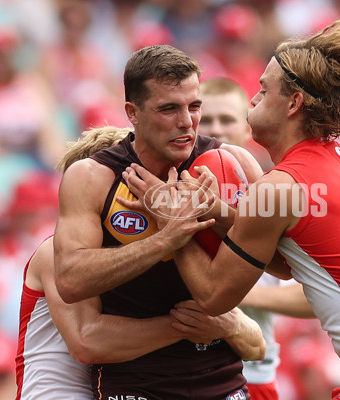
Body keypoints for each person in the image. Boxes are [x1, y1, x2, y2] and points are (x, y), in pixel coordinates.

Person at [124, 18, 340, 400]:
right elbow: (289, 263)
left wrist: (173, 222)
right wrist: (218, 212)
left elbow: (214, 297)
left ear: (294, 103)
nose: (253, 97)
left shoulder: (282, 186)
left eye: (264, 91)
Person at [53, 45, 264, 399]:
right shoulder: (92, 177)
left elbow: (285, 263)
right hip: (136, 384)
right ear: (132, 113)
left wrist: (215, 211)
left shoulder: (234, 162)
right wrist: (165, 238)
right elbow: (71, 280)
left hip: (224, 381)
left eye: (194, 106)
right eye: (168, 109)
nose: (187, 122)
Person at [17, 126, 265, 399]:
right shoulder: (56, 253)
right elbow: (86, 341)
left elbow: (255, 344)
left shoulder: (137, 253)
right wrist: (191, 326)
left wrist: (228, 326)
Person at [199, 77, 315, 400]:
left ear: (247, 127)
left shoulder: (273, 197)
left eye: (227, 119)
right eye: (206, 120)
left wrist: (226, 296)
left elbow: (316, 295)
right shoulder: (174, 194)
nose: (217, 129)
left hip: (253, 374)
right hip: (186, 376)